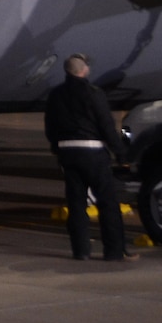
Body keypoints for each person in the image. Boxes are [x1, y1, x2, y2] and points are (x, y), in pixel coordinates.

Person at [44, 54, 137, 262]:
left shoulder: (56, 94)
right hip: (93, 153)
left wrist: (57, 148)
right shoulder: (94, 93)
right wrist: (121, 153)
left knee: (76, 204)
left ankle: (81, 251)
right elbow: (106, 125)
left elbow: (50, 126)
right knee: (108, 203)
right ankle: (114, 251)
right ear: (84, 70)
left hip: (68, 153)